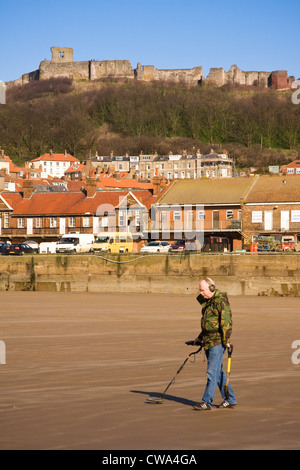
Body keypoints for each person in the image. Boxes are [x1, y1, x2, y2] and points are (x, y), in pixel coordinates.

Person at [191, 278, 237, 410]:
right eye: (200, 290)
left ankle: (207, 402)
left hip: (217, 342)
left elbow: (226, 321)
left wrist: (226, 340)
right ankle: (231, 399)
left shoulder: (220, 301)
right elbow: (208, 324)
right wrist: (199, 338)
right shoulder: (208, 303)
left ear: (211, 288)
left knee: (212, 373)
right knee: (217, 372)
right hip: (208, 341)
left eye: (203, 290)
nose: (201, 293)